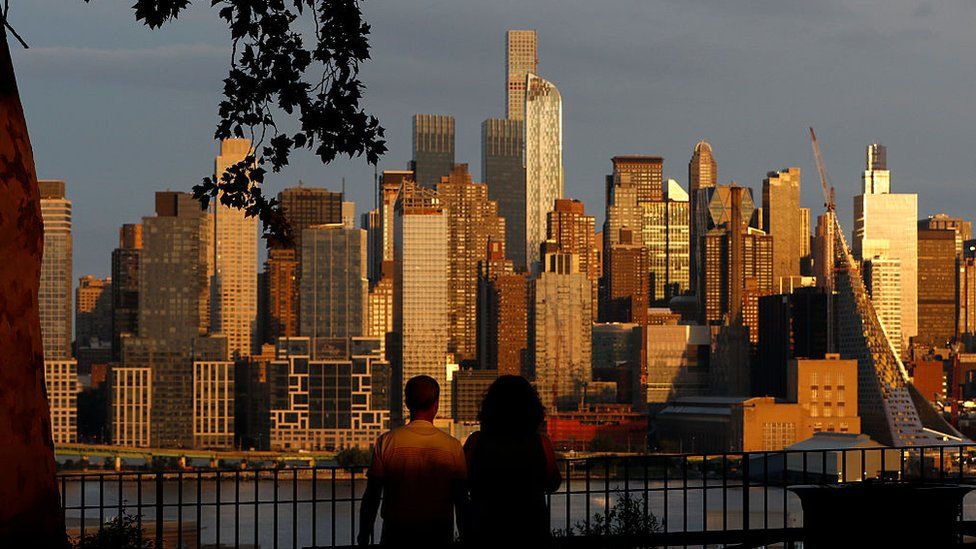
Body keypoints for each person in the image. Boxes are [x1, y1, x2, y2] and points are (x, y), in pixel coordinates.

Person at [358, 375, 467, 547]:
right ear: (436, 405)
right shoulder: (453, 447)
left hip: (396, 532)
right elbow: (461, 500)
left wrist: (363, 535)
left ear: (407, 403)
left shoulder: (387, 441)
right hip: (438, 533)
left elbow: (372, 495)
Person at [463, 375, 561, 547]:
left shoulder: (476, 442)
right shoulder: (541, 443)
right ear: (531, 408)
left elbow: (462, 482)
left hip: (486, 525)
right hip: (530, 524)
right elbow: (553, 482)